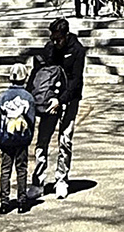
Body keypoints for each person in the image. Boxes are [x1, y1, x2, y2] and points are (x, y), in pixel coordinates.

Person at [26, 17, 86, 202]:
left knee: (65, 140)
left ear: (66, 35)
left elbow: (76, 81)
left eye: (58, 39)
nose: (55, 42)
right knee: (42, 140)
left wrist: (61, 100)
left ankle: (62, 179)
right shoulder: (49, 48)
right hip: (48, 101)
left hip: (69, 99)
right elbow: (39, 73)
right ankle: (38, 182)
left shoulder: (77, 50)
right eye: (52, 38)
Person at [0, 63, 37, 215]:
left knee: (5, 170)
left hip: (6, 138)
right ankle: (22, 200)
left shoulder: (3, 97)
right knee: (21, 169)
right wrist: (29, 137)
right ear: (25, 78)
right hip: (22, 138)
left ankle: (4, 202)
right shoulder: (29, 98)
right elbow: (31, 120)